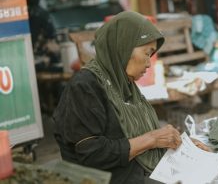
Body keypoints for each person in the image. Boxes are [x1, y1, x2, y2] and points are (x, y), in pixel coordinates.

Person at [53, 11, 209, 184]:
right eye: (146, 53)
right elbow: (91, 154)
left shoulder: (123, 83)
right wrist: (152, 139)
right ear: (123, 47)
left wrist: (182, 146)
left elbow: (139, 136)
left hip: (137, 174)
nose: (149, 63)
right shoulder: (85, 86)